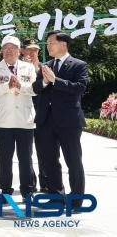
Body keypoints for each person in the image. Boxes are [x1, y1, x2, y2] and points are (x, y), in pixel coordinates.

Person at [33, 30, 88, 207]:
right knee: (49, 160)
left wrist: (55, 80)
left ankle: (77, 198)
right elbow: (36, 88)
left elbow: (79, 87)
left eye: (51, 42)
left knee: (73, 160)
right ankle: (56, 194)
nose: (48, 46)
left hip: (69, 121)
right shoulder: (46, 65)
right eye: (47, 43)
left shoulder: (79, 65)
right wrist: (45, 81)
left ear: (63, 44)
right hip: (46, 121)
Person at [0, 35, 37, 201]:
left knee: (25, 158)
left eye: (13, 48)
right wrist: (7, 86)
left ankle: (27, 191)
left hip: (25, 119)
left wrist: (20, 86)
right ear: (2, 51)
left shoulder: (28, 67)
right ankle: (6, 191)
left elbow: (35, 89)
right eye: (6, 48)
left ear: (19, 50)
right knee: (5, 158)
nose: (9, 51)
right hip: (4, 120)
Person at [22, 38, 48, 192]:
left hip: (41, 114)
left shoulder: (45, 68)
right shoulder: (17, 67)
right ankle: (30, 183)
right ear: (23, 51)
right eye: (29, 49)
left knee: (44, 150)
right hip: (23, 113)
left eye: (35, 50)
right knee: (26, 152)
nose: (32, 52)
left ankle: (45, 182)